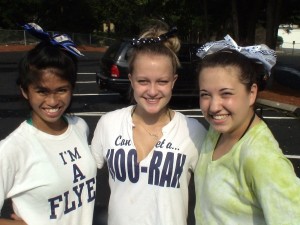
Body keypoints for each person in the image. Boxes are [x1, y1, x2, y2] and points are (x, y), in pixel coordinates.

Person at [91, 22, 207, 225]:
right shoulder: (108, 124)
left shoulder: (193, 131)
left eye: (162, 81)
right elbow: (77, 179)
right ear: (131, 80)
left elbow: (215, 194)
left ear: (173, 81)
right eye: (143, 81)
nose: (152, 91)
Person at [194, 35, 300, 225]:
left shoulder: (263, 157)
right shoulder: (217, 132)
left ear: (251, 93)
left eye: (226, 93)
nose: (214, 107)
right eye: (205, 95)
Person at [0, 23, 97, 225]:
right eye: (42, 91)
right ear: (25, 91)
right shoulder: (11, 149)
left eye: (61, 90)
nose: (52, 102)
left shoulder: (79, 126)